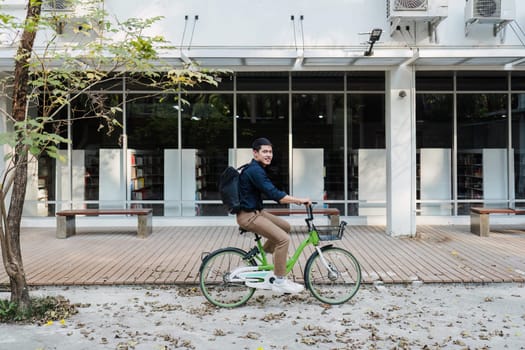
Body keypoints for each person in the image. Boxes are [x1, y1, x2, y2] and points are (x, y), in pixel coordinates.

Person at [237, 137, 311, 294]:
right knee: (283, 240)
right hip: (249, 216)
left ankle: (262, 255)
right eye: (265, 151)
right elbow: (275, 194)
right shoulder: (254, 171)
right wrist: (299, 200)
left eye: (270, 152)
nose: (268, 155)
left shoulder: (257, 168)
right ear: (255, 153)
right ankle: (279, 280)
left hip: (257, 212)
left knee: (285, 227)